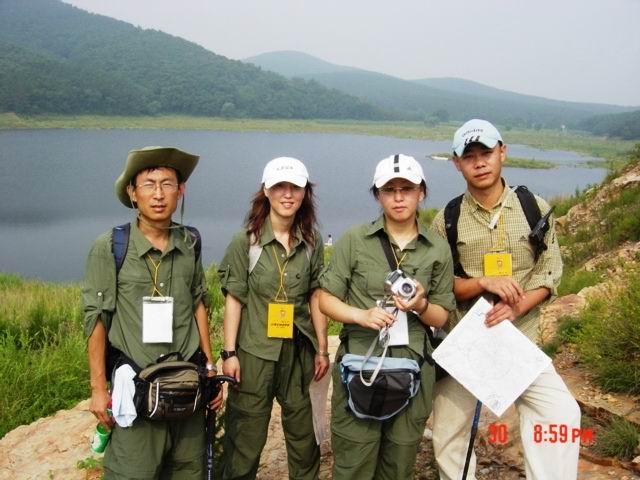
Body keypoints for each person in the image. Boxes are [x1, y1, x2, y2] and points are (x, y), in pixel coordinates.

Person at [431, 119, 581, 480]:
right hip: (467, 340)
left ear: (503, 152)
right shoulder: (447, 219)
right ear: (456, 163)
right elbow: (441, 284)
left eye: (486, 152)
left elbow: (550, 270)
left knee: (561, 414)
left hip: (520, 338)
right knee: (448, 434)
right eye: (469, 156)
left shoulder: (533, 206)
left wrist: (518, 305)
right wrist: (482, 282)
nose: (479, 163)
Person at [82, 146, 222, 479]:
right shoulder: (111, 247)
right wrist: (98, 389)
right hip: (137, 390)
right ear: (132, 192)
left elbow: (198, 303)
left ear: (180, 190)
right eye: (148, 184)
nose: (158, 194)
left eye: (167, 184)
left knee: (188, 471)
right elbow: (96, 317)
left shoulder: (189, 242)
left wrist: (210, 367)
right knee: (132, 472)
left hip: (187, 386)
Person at [318, 154, 456, 480]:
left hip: (413, 369)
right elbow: (325, 298)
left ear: (421, 192)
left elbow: (441, 317)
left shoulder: (437, 248)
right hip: (360, 368)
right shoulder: (355, 240)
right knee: (353, 464)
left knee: (398, 466)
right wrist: (361, 315)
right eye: (389, 190)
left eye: (406, 189)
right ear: (377, 195)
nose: (398, 197)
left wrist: (420, 305)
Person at [218, 156, 330, 480]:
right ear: (265, 190)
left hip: (298, 351)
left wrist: (322, 348)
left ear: (305, 193)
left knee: (304, 437)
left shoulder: (311, 241)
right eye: (279, 186)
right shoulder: (246, 241)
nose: (287, 194)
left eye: (295, 187)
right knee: (245, 437)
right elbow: (234, 298)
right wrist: (229, 353)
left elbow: (316, 295)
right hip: (255, 353)